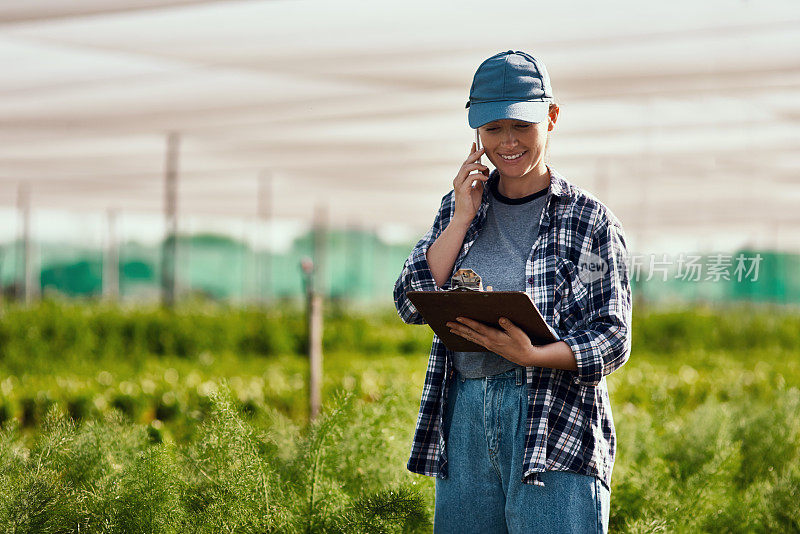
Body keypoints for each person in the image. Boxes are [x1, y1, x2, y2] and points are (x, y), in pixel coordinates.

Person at [393, 50, 633, 534]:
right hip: (464, 415)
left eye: (521, 126)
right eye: (493, 128)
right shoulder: (461, 206)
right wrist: (461, 216)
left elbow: (612, 338)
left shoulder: (589, 221)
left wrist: (531, 354)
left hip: (552, 420)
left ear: (552, 117)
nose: (507, 142)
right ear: (476, 134)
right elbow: (410, 299)